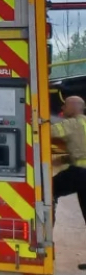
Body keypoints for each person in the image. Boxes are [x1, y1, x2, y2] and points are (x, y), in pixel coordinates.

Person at [50, 97, 86, 263]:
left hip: (79, 173)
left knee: (48, 190)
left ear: (73, 107)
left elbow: (49, 130)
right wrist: (64, 160)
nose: (63, 107)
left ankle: (46, 239)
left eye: (65, 105)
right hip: (80, 171)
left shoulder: (72, 124)